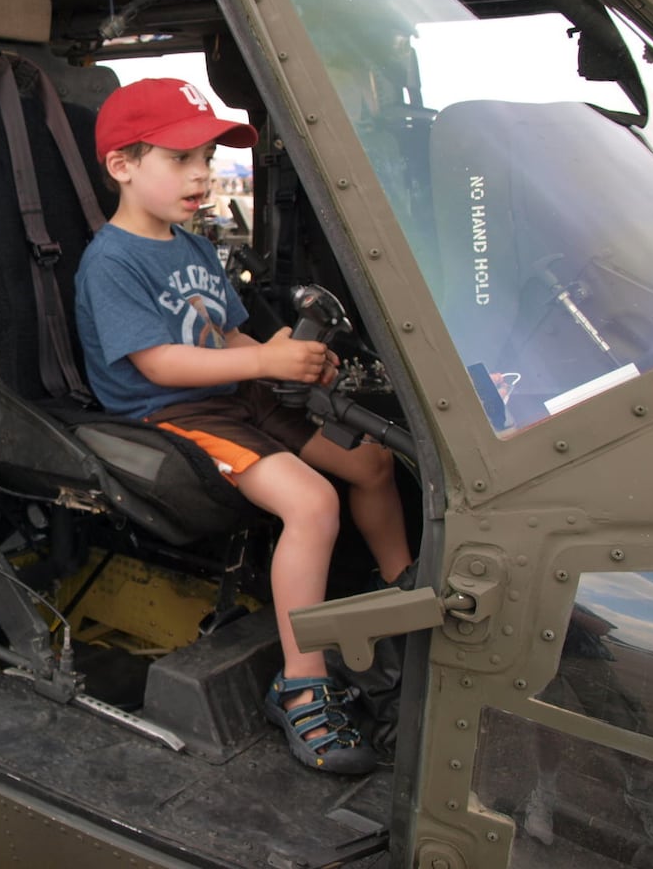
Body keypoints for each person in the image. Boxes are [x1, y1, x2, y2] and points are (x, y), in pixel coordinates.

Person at [75, 78, 412, 775]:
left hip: (239, 395)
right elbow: (160, 363)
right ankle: (302, 683)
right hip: (174, 412)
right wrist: (261, 358)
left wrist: (285, 361)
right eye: (181, 158)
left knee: (373, 463)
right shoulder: (110, 260)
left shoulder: (190, 248)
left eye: (206, 157)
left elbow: (221, 336)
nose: (201, 174)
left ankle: (404, 596)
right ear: (122, 166)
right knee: (312, 503)